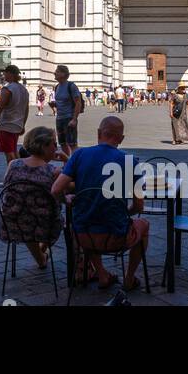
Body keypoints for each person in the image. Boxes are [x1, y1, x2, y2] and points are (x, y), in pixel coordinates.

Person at [52, 116, 149, 290]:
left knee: (88, 217)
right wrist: (124, 212)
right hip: (117, 237)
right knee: (144, 225)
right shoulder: (130, 162)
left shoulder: (79, 155)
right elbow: (138, 207)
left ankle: (102, 273)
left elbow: (56, 189)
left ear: (98, 133)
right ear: (121, 139)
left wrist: (66, 201)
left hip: (83, 237)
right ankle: (129, 278)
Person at [0, 126, 62, 268]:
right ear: (45, 146)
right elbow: (64, 192)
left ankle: (41, 258)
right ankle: (42, 254)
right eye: (54, 144)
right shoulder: (53, 171)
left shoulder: (13, 164)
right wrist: (67, 160)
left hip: (12, 225)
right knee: (53, 215)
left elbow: (7, 186)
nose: (56, 148)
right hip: (45, 227)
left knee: (27, 213)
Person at [0, 64, 29, 168]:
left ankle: (14, 176)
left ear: (10, 74)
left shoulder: (8, 89)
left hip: (7, 125)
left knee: (9, 153)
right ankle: (19, 174)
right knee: (14, 150)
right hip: (17, 124)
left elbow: (0, 107)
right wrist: (23, 124)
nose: (3, 75)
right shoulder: (24, 90)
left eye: (5, 73)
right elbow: (26, 109)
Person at [50, 65, 83, 158]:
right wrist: (54, 105)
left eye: (57, 71)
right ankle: (66, 164)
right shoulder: (57, 87)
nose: (54, 73)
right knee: (62, 143)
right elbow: (61, 102)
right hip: (59, 118)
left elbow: (78, 102)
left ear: (63, 74)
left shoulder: (71, 86)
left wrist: (74, 119)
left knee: (72, 144)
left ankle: (75, 165)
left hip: (69, 118)